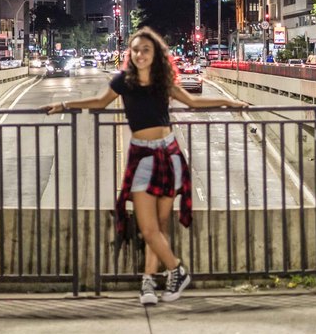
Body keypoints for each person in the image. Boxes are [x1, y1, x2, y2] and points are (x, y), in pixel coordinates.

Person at [45, 27, 249, 306]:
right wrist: (65, 104)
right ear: (131, 54)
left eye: (146, 50)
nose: (140, 54)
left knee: (161, 225)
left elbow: (193, 102)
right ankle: (177, 269)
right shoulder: (123, 82)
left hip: (168, 153)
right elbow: (99, 103)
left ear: (155, 54)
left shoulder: (162, 82)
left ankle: (149, 284)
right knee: (148, 227)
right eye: (136, 50)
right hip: (141, 156)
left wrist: (228, 101)